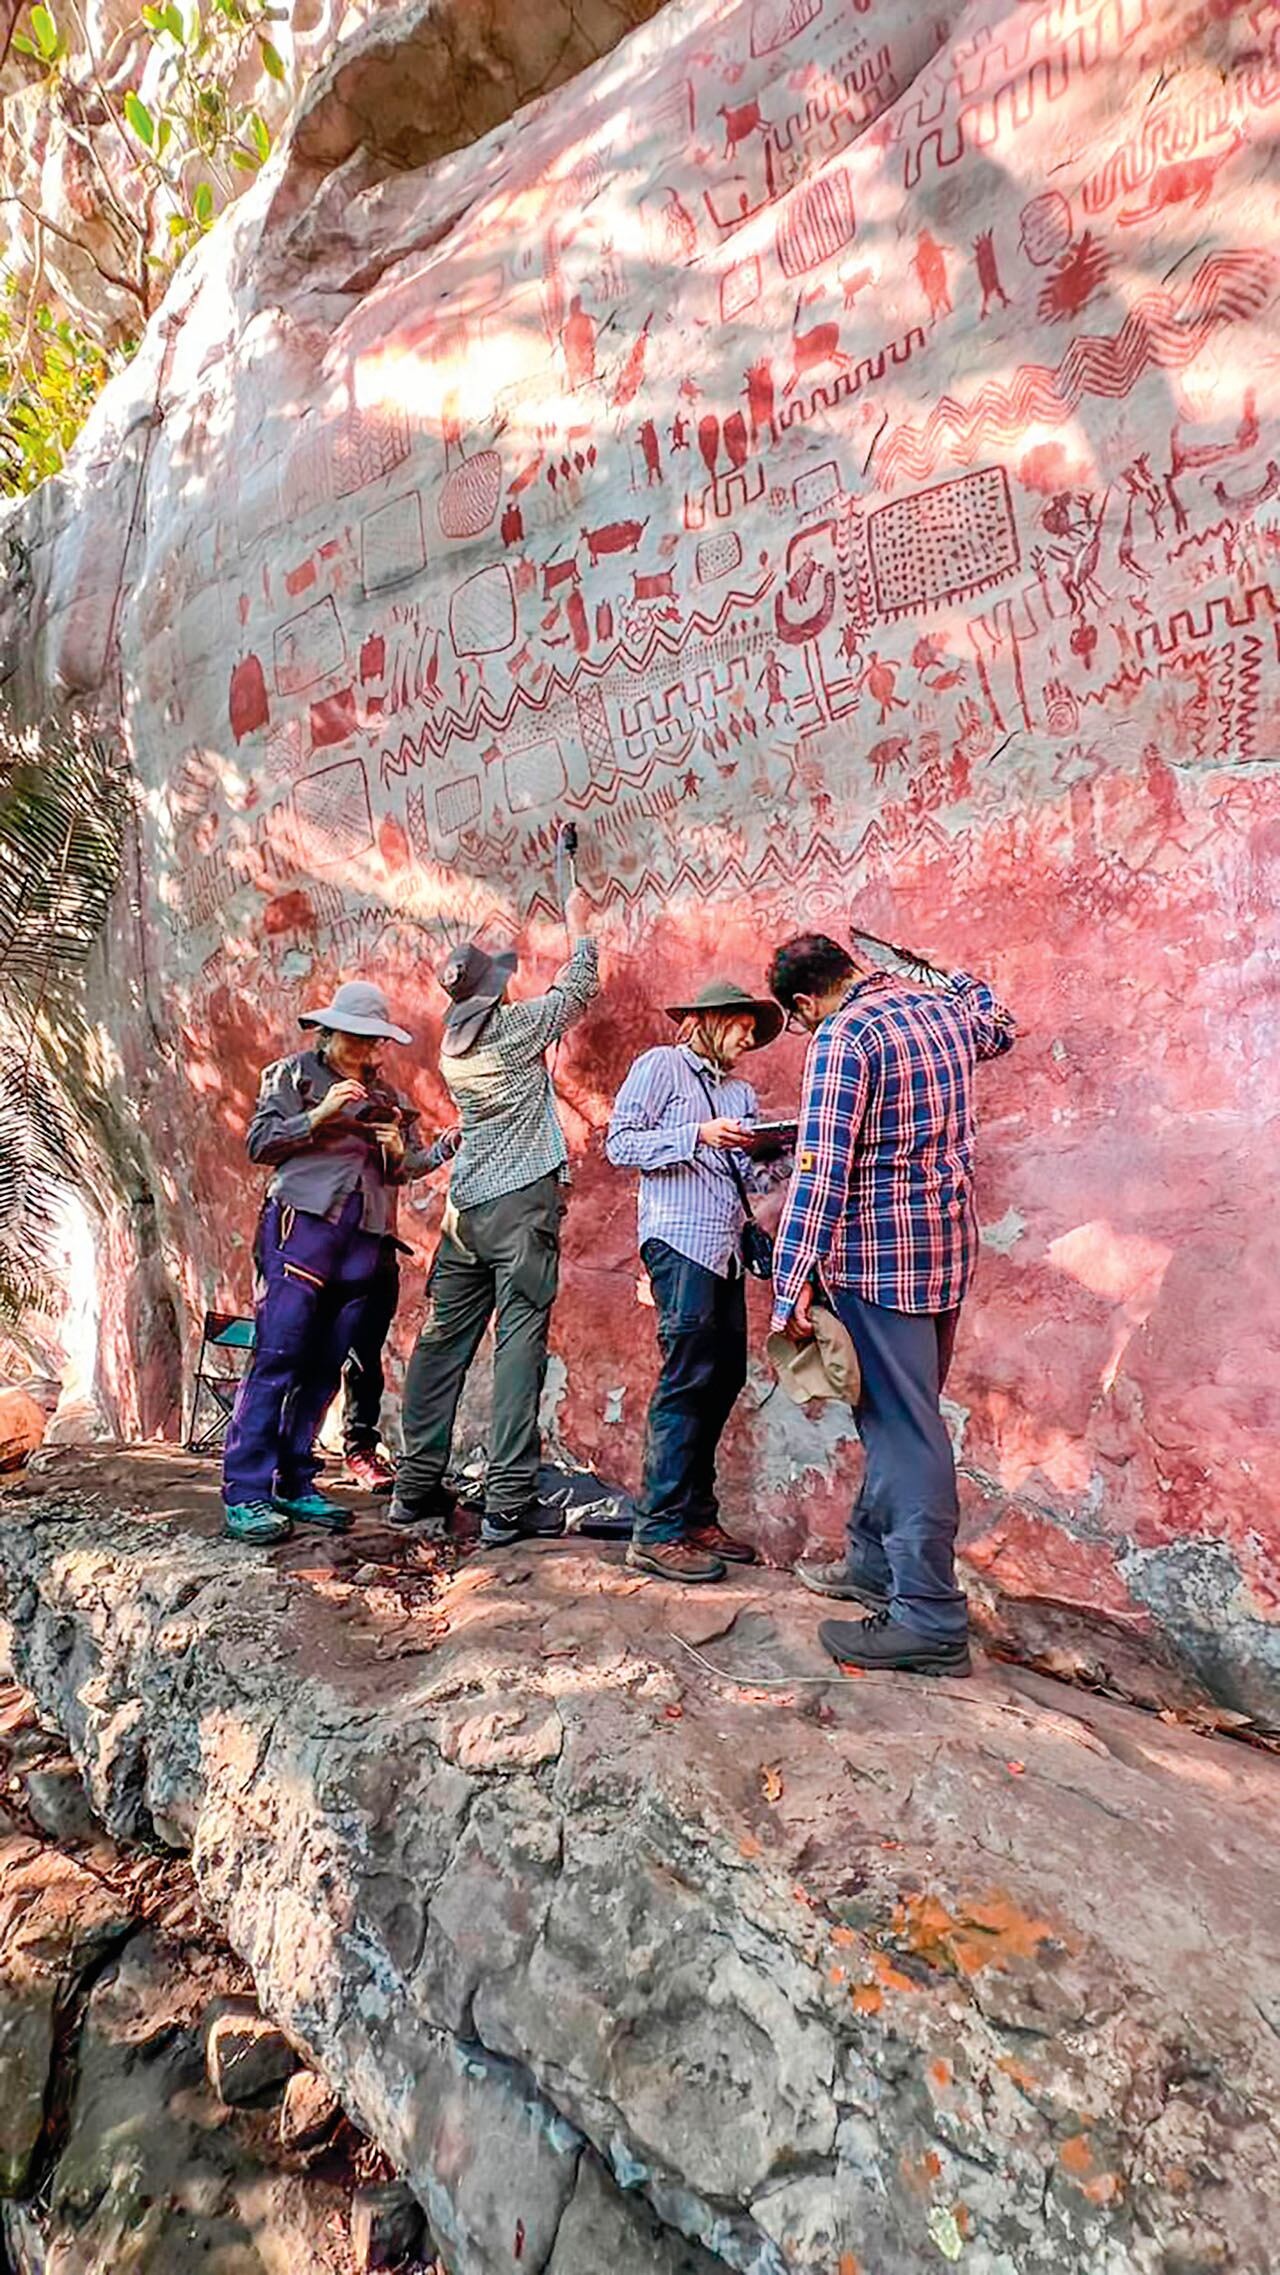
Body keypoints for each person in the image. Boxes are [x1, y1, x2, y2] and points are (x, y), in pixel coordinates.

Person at [768, 932, 1016, 1675]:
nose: (805, 1029)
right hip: (944, 1253)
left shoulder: (843, 1036)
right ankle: (874, 1564)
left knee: (906, 1432)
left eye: (798, 1019)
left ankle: (928, 1618)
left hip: (877, 1262)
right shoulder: (943, 1012)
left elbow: (821, 1169)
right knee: (899, 1417)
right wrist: (939, 969)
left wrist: (790, 1281)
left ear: (805, 1001)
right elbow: (999, 1022)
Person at [389, 894, 599, 1544]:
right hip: (519, 1207)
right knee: (519, 1343)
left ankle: (414, 1487)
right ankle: (508, 1501)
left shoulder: (453, 1054)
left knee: (442, 1343)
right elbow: (578, 988)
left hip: (466, 1210)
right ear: (495, 992)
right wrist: (580, 923)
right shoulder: (514, 1029)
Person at [221, 981, 455, 1545]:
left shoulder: (389, 1098)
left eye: (376, 1040)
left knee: (327, 1362)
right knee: (279, 1354)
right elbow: (260, 1144)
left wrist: (404, 1150)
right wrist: (320, 1115)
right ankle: (246, 1491)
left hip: (364, 1237)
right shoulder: (293, 1076)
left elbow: (402, 1170)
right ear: (328, 1034)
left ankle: (295, 1479)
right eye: (358, 1037)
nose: (369, 1049)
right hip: (302, 1228)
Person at [606, 979, 786, 1584]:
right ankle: (656, 1531)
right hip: (678, 1241)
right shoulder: (661, 1065)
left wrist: (781, 1152)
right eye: (742, 1027)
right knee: (686, 1379)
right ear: (711, 1020)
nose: (749, 1039)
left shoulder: (740, 1091)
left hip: (725, 1247)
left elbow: (751, 1181)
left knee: (724, 1377)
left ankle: (695, 1517)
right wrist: (696, 1135)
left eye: (753, 1031)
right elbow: (619, 1144)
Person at [338, 1236, 403, 1493]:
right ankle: (285, 1456)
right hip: (316, 1241)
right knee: (302, 1355)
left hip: (376, 1247)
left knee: (364, 1359)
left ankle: (360, 1450)